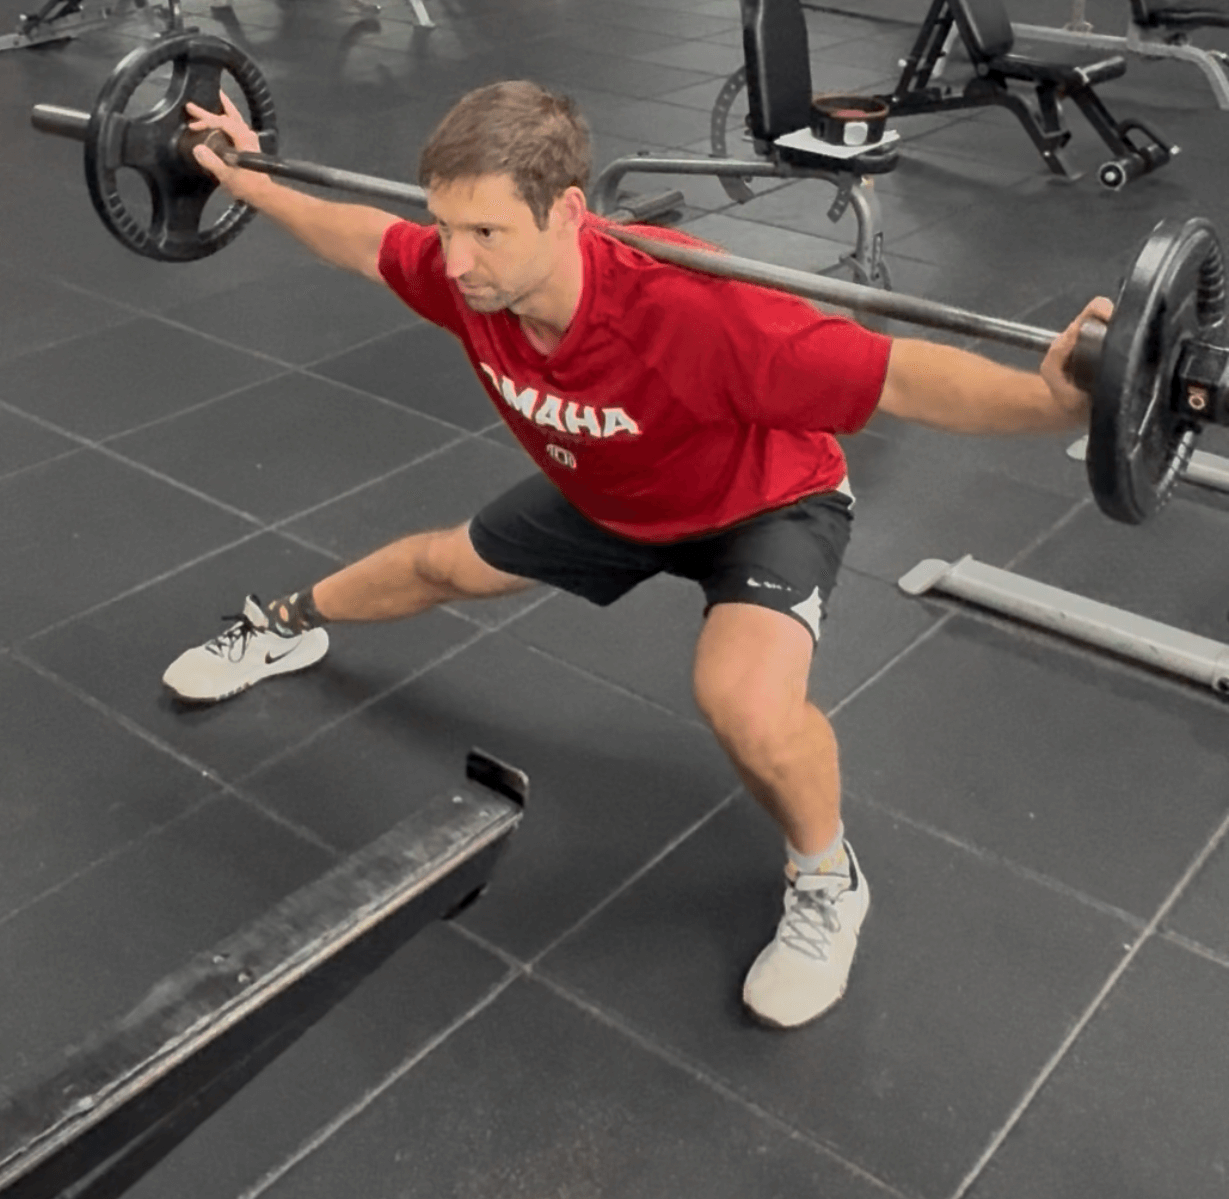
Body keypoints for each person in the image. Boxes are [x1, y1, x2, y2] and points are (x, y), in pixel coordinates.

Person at [165, 80, 1107, 1031]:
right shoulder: (473, 281)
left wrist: (1054, 404)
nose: (455, 261)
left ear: (567, 212)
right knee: (441, 567)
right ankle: (284, 627)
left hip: (762, 502)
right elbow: (363, 240)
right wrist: (248, 181)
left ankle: (828, 877)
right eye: (445, 227)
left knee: (743, 702)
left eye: (485, 233)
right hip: (613, 490)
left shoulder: (703, 312)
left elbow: (901, 377)